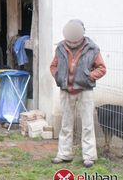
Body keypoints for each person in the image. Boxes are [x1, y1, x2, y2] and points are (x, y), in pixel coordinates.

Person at [50, 19, 106, 168]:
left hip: (85, 90)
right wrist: (58, 77)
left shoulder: (92, 48)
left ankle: (89, 156)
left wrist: (88, 76)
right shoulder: (60, 47)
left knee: (87, 124)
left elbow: (101, 68)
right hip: (66, 90)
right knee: (66, 124)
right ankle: (64, 154)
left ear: (82, 32)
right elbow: (53, 65)